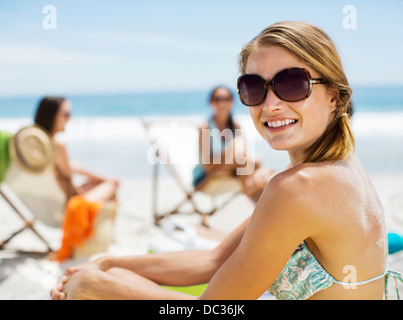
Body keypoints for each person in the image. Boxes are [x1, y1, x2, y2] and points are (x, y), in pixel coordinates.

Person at [51, 21, 401, 300]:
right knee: (115, 274)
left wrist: (93, 287)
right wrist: (107, 262)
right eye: (254, 87)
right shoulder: (342, 167)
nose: (270, 104)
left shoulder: (298, 188)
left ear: (334, 99)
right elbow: (213, 259)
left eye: (292, 84)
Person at [192, 86, 276, 203]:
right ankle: (261, 206)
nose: (222, 103)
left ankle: (262, 208)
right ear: (211, 103)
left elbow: (243, 156)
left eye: (226, 99)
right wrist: (233, 153)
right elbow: (207, 166)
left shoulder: (235, 126)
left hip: (232, 170)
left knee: (253, 164)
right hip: (206, 177)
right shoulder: (205, 127)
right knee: (247, 157)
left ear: (232, 102)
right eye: (218, 99)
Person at [34, 96, 119, 204]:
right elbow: (71, 189)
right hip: (71, 207)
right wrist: (105, 181)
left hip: (49, 204)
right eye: (66, 114)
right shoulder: (58, 146)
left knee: (101, 182)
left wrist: (100, 178)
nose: (70, 118)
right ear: (51, 116)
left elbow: (70, 167)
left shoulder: (38, 147)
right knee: (112, 185)